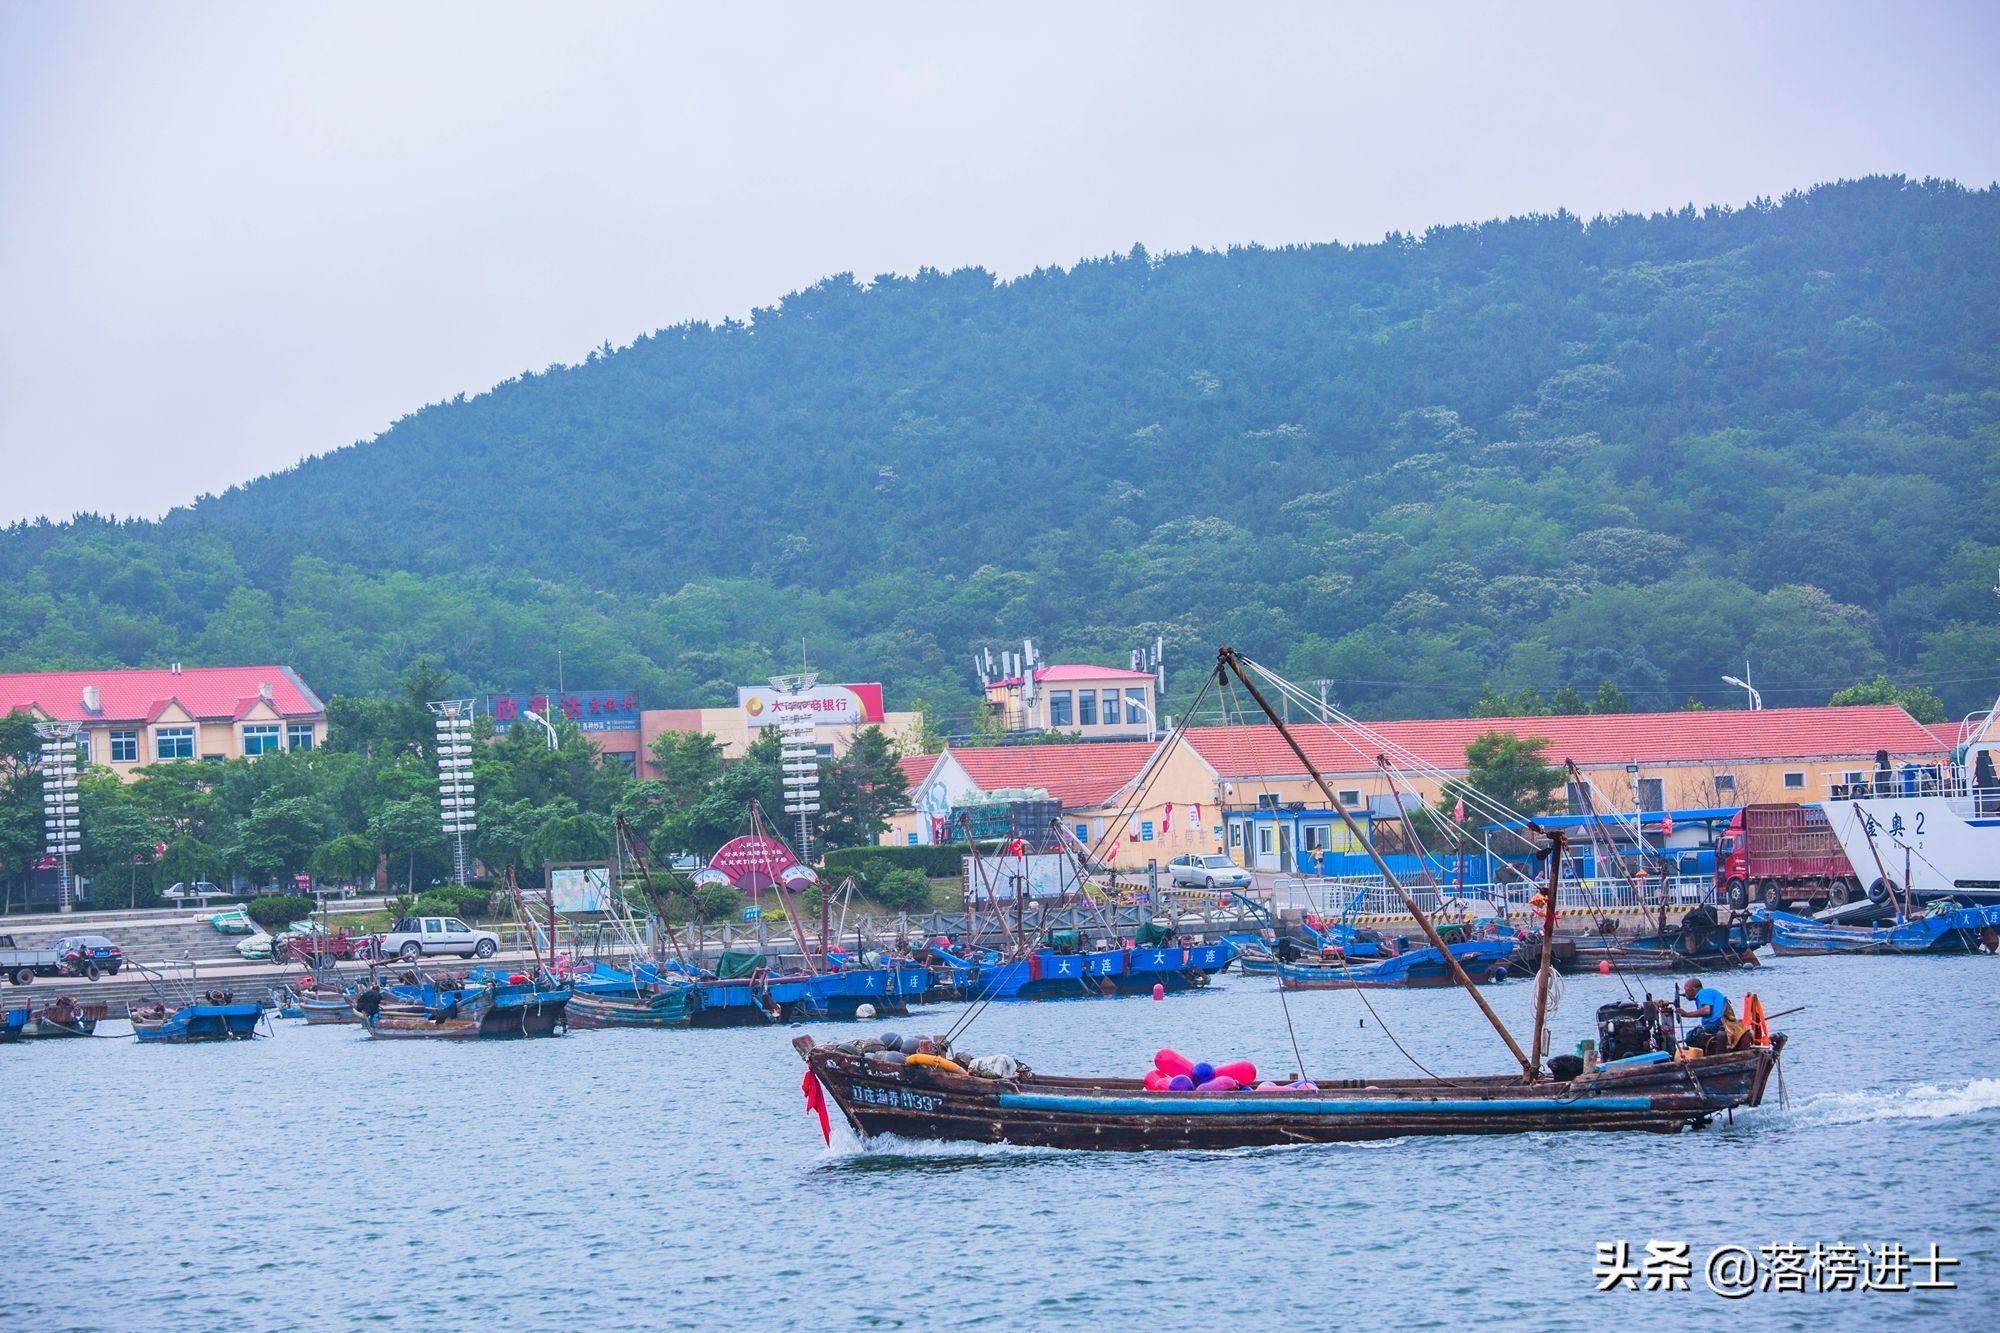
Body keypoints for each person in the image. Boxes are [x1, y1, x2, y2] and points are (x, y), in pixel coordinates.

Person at [1671, 976, 1743, 1053]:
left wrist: (1686, 1014)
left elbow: (1707, 1011)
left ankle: (1698, 1055)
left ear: (1693, 990)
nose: (1685, 993)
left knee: (1691, 1036)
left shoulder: (1703, 993)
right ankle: (1704, 1052)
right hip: (1717, 1023)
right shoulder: (1703, 995)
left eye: (1686, 990)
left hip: (1718, 1023)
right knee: (1694, 1035)